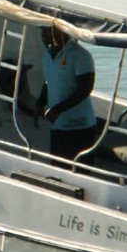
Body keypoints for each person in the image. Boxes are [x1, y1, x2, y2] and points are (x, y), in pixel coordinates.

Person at [34, 24, 97, 161]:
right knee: (58, 167)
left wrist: (58, 109)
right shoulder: (47, 55)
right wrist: (40, 102)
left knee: (80, 171)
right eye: (43, 32)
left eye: (48, 32)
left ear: (62, 32)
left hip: (80, 127)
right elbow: (48, 82)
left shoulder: (80, 55)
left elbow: (86, 88)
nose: (44, 37)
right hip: (58, 125)